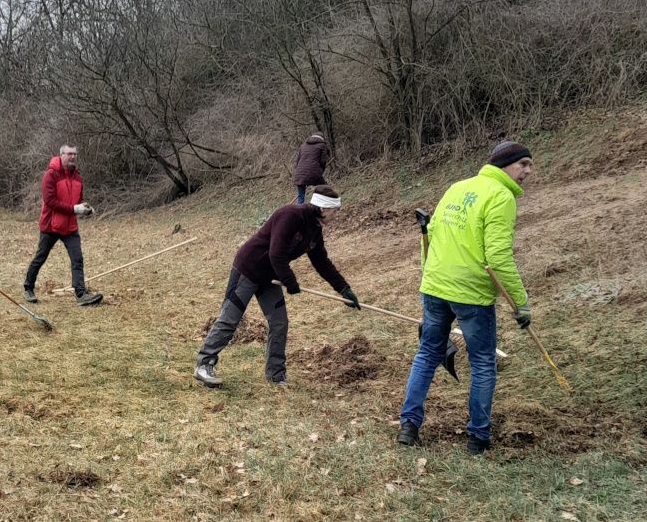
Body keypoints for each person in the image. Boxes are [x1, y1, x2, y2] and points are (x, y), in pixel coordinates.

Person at [396, 141, 535, 455]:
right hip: (470, 294)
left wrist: (427, 273)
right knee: (483, 362)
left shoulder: (457, 188)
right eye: (523, 164)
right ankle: (478, 438)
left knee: (427, 354)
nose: (527, 171)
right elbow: (498, 258)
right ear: (505, 164)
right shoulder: (501, 196)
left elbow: (429, 234)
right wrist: (520, 301)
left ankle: (408, 425)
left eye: (529, 165)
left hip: (434, 286)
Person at [194, 186, 360, 389]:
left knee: (279, 323)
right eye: (336, 210)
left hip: (269, 277)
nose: (336, 215)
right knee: (230, 319)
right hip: (248, 269)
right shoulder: (291, 215)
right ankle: (204, 364)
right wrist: (290, 281)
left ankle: (275, 375)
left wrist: (343, 289)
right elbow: (276, 253)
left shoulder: (314, 230)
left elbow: (322, 263)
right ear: (324, 208)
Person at [22, 144, 103, 307]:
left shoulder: (77, 177)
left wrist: (84, 207)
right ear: (61, 155)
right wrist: (74, 209)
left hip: (70, 227)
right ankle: (28, 288)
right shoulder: (50, 175)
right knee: (40, 257)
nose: (72, 157)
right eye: (69, 154)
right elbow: (50, 202)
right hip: (50, 226)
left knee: (77, 259)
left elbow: (78, 200)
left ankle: (81, 294)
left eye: (74, 154)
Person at [292, 132, 329, 204]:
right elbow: (323, 161)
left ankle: (299, 212)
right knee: (323, 190)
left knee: (300, 197)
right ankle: (319, 208)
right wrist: (321, 172)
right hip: (314, 172)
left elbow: (297, 161)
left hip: (299, 173)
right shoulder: (322, 145)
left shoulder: (303, 145)